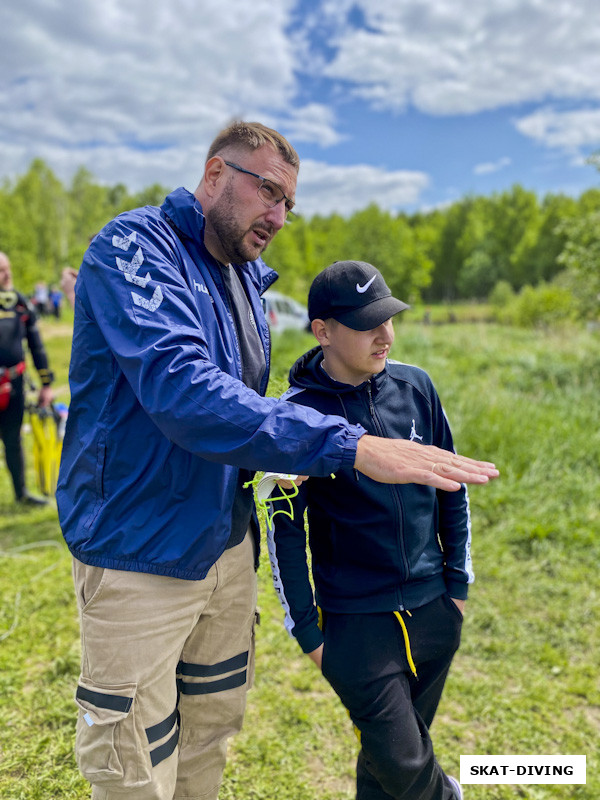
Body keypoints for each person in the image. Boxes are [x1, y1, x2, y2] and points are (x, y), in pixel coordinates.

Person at [57, 122, 497, 800]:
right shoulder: (133, 248)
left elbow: (246, 423)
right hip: (138, 553)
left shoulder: (245, 285)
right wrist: (348, 445)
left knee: (207, 732)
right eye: (268, 192)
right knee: (133, 766)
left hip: (226, 551)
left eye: (290, 202)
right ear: (213, 175)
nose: (280, 216)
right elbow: (184, 391)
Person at [267, 260, 474, 800]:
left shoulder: (417, 387)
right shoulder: (293, 417)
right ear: (323, 331)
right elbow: (283, 534)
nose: (386, 335)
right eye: (367, 324)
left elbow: (452, 485)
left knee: (388, 763)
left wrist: (457, 588)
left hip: (433, 609)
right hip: (356, 626)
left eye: (389, 318)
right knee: (407, 763)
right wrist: (308, 632)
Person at [0, 252, 54, 505]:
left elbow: (36, 345)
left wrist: (46, 383)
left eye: (7, 268)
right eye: (1, 270)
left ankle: (21, 493)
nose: (7, 274)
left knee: (14, 439)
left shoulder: (19, 303)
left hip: (14, 384)